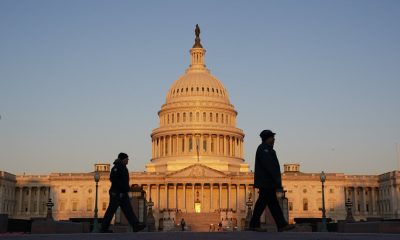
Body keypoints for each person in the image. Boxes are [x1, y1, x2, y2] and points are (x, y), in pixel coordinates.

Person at [249, 130, 295, 232]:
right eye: (272, 137)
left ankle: (281, 224)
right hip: (266, 181)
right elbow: (269, 166)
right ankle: (255, 224)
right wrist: (276, 180)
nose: (274, 139)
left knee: (272, 203)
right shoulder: (264, 149)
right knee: (263, 203)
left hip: (268, 182)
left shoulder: (268, 149)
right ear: (267, 138)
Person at [100, 153, 146, 233]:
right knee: (111, 210)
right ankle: (104, 228)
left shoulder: (122, 167)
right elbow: (113, 179)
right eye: (127, 159)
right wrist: (121, 189)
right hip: (117, 193)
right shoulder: (116, 167)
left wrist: (125, 189)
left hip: (122, 192)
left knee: (128, 210)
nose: (128, 160)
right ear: (123, 159)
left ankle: (136, 226)